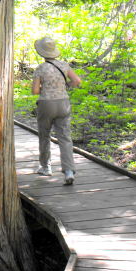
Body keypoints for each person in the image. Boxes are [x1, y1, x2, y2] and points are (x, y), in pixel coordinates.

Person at [31, 36, 81, 185]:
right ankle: (69, 171)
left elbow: (35, 91)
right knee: (65, 137)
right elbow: (77, 81)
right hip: (63, 103)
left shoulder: (40, 68)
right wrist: (66, 86)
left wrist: (43, 87)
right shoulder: (64, 65)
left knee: (44, 135)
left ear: (42, 52)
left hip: (46, 104)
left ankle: (46, 167)